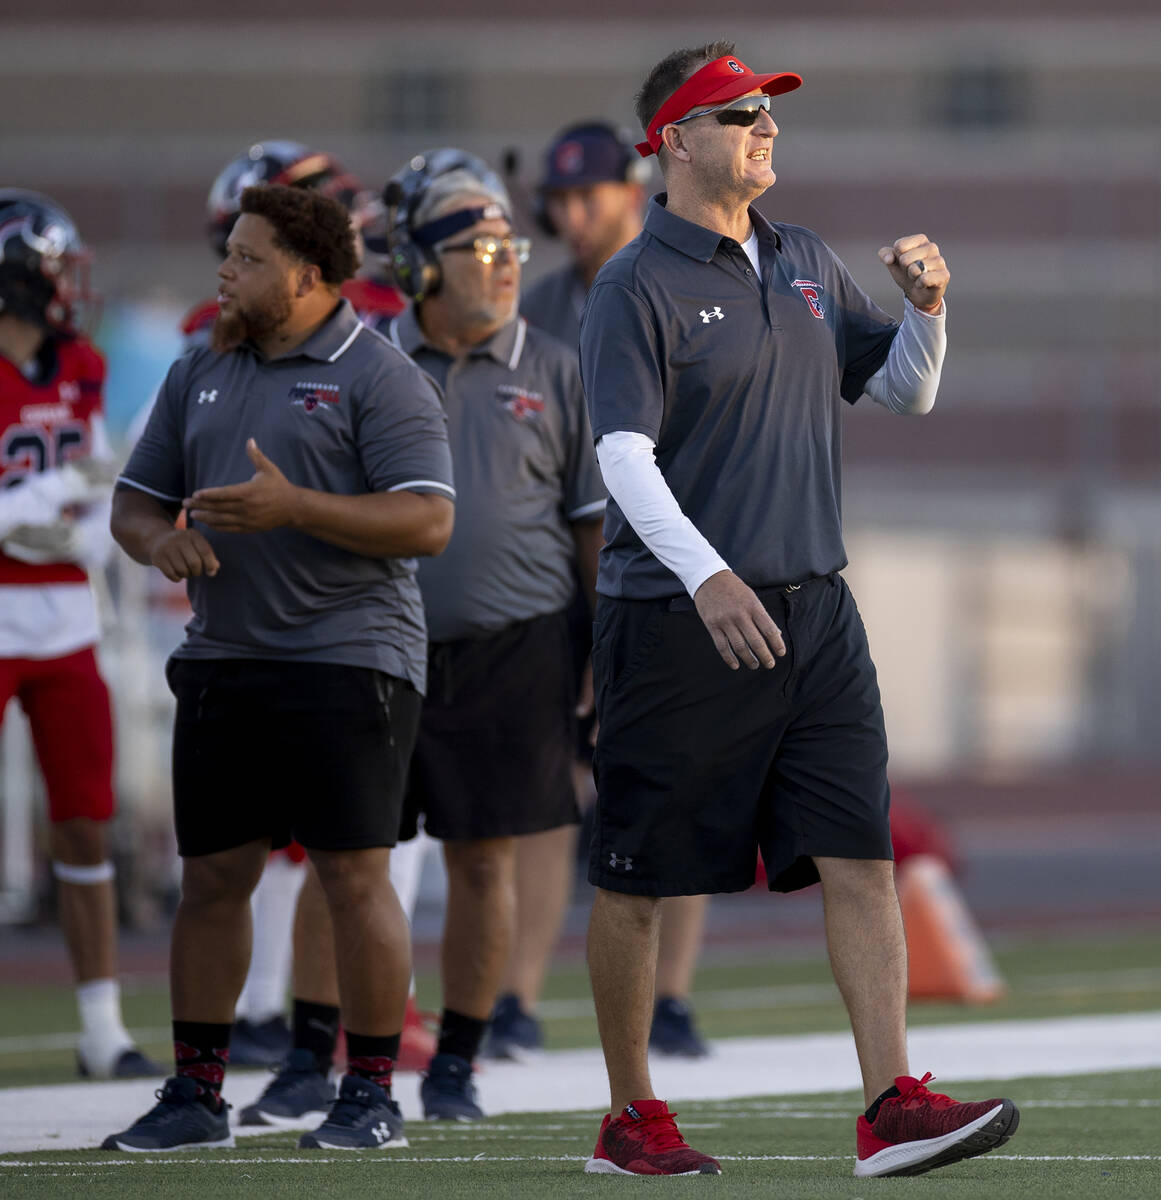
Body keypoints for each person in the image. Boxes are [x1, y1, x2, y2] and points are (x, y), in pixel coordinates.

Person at [577, 43, 1020, 1178]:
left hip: (817, 610)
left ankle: (890, 1107)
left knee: (860, 858)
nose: (766, 126)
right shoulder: (636, 283)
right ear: (677, 139)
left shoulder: (807, 258)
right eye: (739, 113)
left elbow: (904, 391)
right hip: (678, 619)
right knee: (639, 879)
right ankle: (629, 1120)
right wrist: (706, 575)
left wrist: (929, 310)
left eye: (771, 111)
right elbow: (621, 455)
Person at [102, 183, 455, 1152]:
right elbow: (134, 504)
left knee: (352, 879)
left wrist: (294, 506)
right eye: (228, 253)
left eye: (247, 257)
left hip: (350, 664)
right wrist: (156, 545)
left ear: (305, 275)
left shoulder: (380, 377)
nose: (226, 270)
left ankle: (371, 1091)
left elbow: (428, 519)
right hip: (223, 659)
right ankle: (196, 1093)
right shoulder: (195, 373)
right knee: (212, 878)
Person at [381, 148, 605, 1118]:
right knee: (351, 863)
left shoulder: (559, 368)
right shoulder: (371, 363)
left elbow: (591, 525)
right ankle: (332, 1056)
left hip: (519, 646)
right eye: (476, 245)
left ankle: (459, 1060)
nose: (504, 260)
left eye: (510, 241)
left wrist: (601, 650)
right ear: (420, 264)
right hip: (380, 649)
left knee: (484, 857)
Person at [487, 120, 710, 1063]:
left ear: (633, 187)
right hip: (560, 569)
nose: (576, 218)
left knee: (676, 777)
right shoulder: (536, 308)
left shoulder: (682, 284)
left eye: (592, 197)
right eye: (563, 203)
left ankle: (673, 999)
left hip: (666, 566)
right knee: (547, 787)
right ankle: (515, 997)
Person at [0, 189, 160, 1082]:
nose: (67, 287)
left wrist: (81, 528)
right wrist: (22, 508)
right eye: (53, 270)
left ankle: (102, 1026)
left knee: (85, 825)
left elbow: (104, 492)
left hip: (64, 621)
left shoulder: (83, 366)